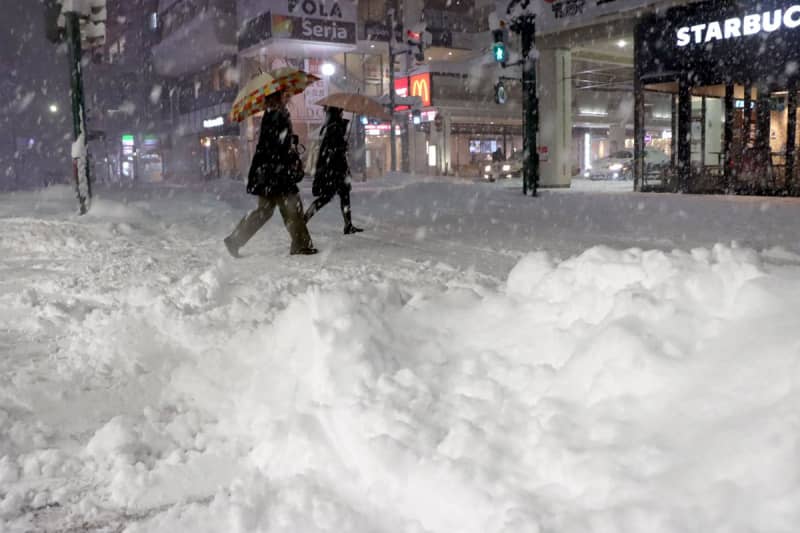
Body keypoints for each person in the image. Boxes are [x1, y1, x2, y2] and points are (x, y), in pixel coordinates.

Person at [224, 90, 317, 257]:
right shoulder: (277, 115)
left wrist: (288, 142)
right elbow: (276, 146)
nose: (289, 97)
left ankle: (235, 240)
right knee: (291, 207)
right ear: (278, 97)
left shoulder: (273, 115)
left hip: (267, 172)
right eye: (285, 95)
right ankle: (301, 244)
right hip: (276, 173)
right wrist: (289, 152)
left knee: (265, 211)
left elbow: (273, 143)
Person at [304, 106, 363, 235]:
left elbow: (330, 150)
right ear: (337, 113)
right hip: (334, 171)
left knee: (340, 197)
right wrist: (342, 147)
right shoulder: (334, 128)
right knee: (329, 198)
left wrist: (342, 146)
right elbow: (333, 150)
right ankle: (304, 220)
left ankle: (348, 225)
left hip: (333, 171)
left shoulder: (330, 127)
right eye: (341, 112)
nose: (342, 114)